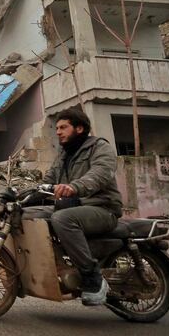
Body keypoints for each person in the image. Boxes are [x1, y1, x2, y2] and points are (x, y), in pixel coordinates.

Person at [27, 108, 124, 306]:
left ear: (79, 128)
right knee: (27, 214)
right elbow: (48, 181)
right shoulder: (64, 155)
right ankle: (54, 267)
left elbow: (100, 173)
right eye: (57, 128)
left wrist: (74, 187)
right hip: (73, 206)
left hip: (102, 208)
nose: (58, 132)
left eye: (63, 127)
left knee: (62, 219)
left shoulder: (99, 147)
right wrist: (25, 194)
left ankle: (92, 277)